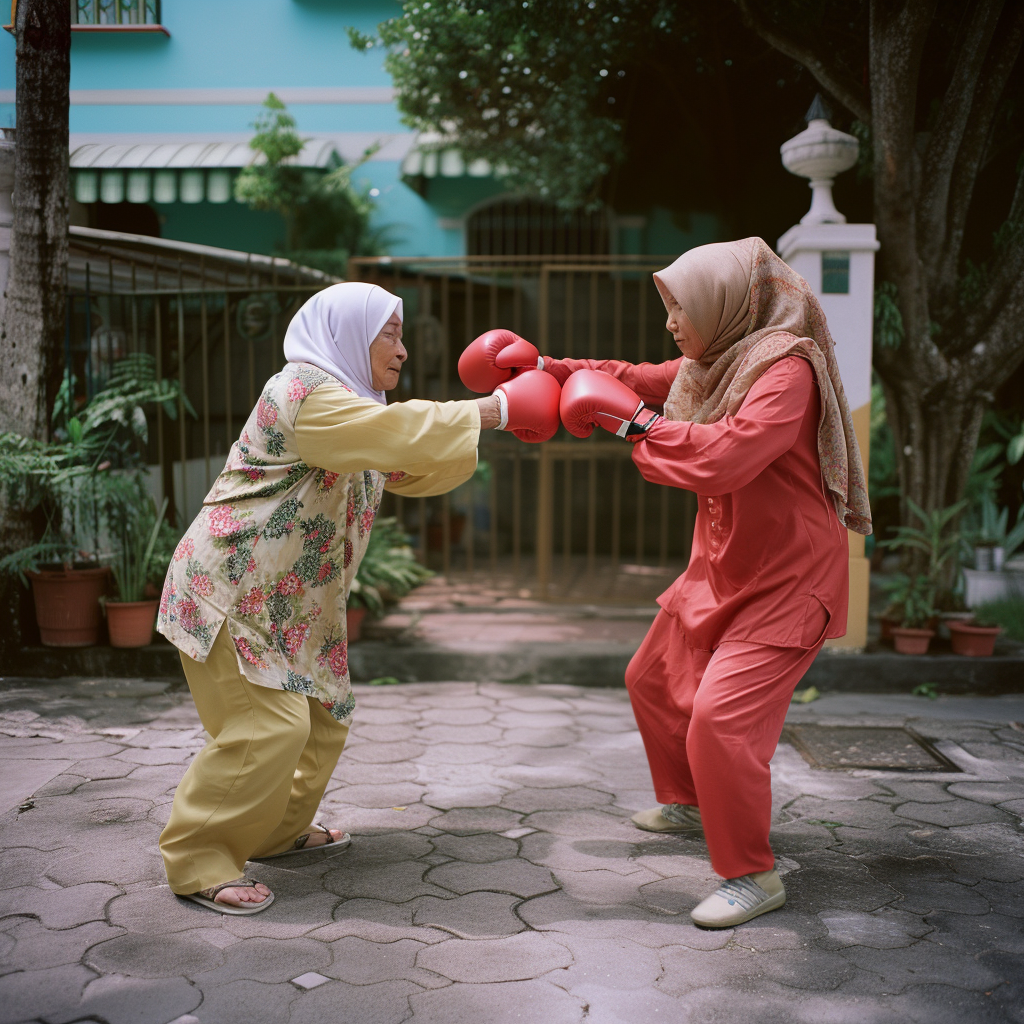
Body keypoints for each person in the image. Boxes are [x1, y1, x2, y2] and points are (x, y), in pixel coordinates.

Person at [472, 237, 871, 928]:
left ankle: (751, 874)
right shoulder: (712, 363)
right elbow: (632, 374)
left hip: (788, 580)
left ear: (728, 305)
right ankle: (691, 803)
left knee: (720, 723)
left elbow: (730, 455)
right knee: (652, 680)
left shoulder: (785, 372)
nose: (672, 322)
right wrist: (545, 366)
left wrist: (636, 423)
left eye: (680, 307)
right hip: (722, 565)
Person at [157, 282, 560, 915]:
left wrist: (503, 422)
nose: (403, 349)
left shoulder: (355, 409)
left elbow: (412, 465)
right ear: (348, 333)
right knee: (266, 729)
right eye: (391, 333)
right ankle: (199, 859)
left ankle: (273, 832)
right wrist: (495, 411)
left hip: (288, 606)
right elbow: (395, 433)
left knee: (324, 721)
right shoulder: (301, 393)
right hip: (231, 593)